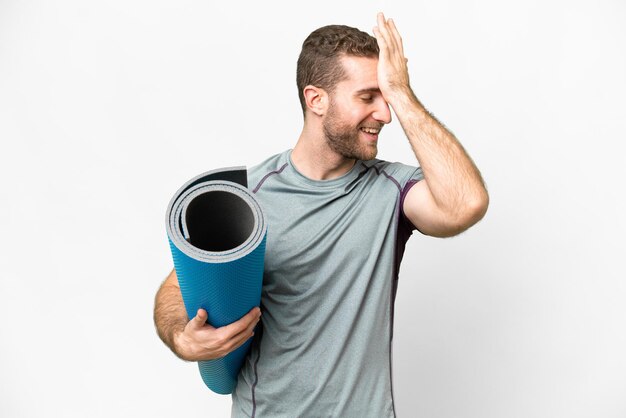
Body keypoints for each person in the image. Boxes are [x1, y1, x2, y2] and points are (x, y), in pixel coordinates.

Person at [154, 12, 489, 418]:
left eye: (386, 97)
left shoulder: (392, 191)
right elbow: (176, 288)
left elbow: (464, 204)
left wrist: (402, 93)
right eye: (369, 97)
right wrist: (181, 337)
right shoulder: (251, 195)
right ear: (316, 100)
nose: (384, 114)